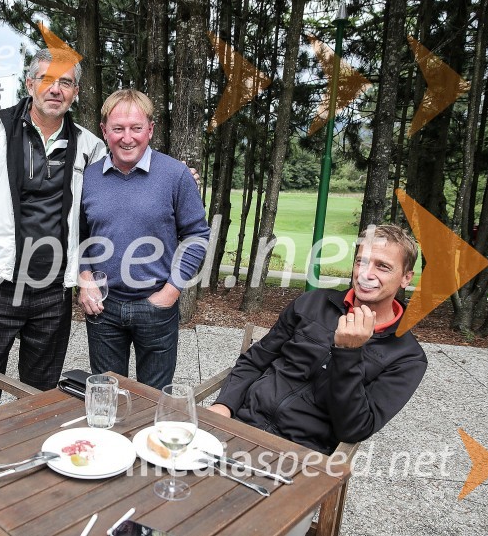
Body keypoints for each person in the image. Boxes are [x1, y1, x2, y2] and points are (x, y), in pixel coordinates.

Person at [0, 49, 106, 400]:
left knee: (40, 391)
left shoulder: (89, 145)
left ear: (75, 92)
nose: (56, 89)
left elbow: (117, 190)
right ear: (30, 84)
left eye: (66, 82)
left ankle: (33, 451)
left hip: (53, 291)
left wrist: (174, 175)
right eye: (47, 80)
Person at [207, 224, 428, 455]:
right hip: (241, 422)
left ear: (406, 278)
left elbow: (354, 429)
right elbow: (255, 360)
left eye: (382, 266)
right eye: (361, 261)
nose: (366, 274)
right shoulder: (312, 303)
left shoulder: (407, 357)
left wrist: (348, 354)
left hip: (300, 453)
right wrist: (224, 405)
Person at [78, 89, 210, 389]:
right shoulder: (88, 178)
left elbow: (197, 234)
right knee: (105, 393)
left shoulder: (176, 175)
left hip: (157, 306)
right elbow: (80, 236)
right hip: (103, 308)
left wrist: (172, 290)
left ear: (150, 129)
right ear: (104, 131)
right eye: (118, 129)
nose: (127, 138)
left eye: (136, 128)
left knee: (154, 399)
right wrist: (84, 278)